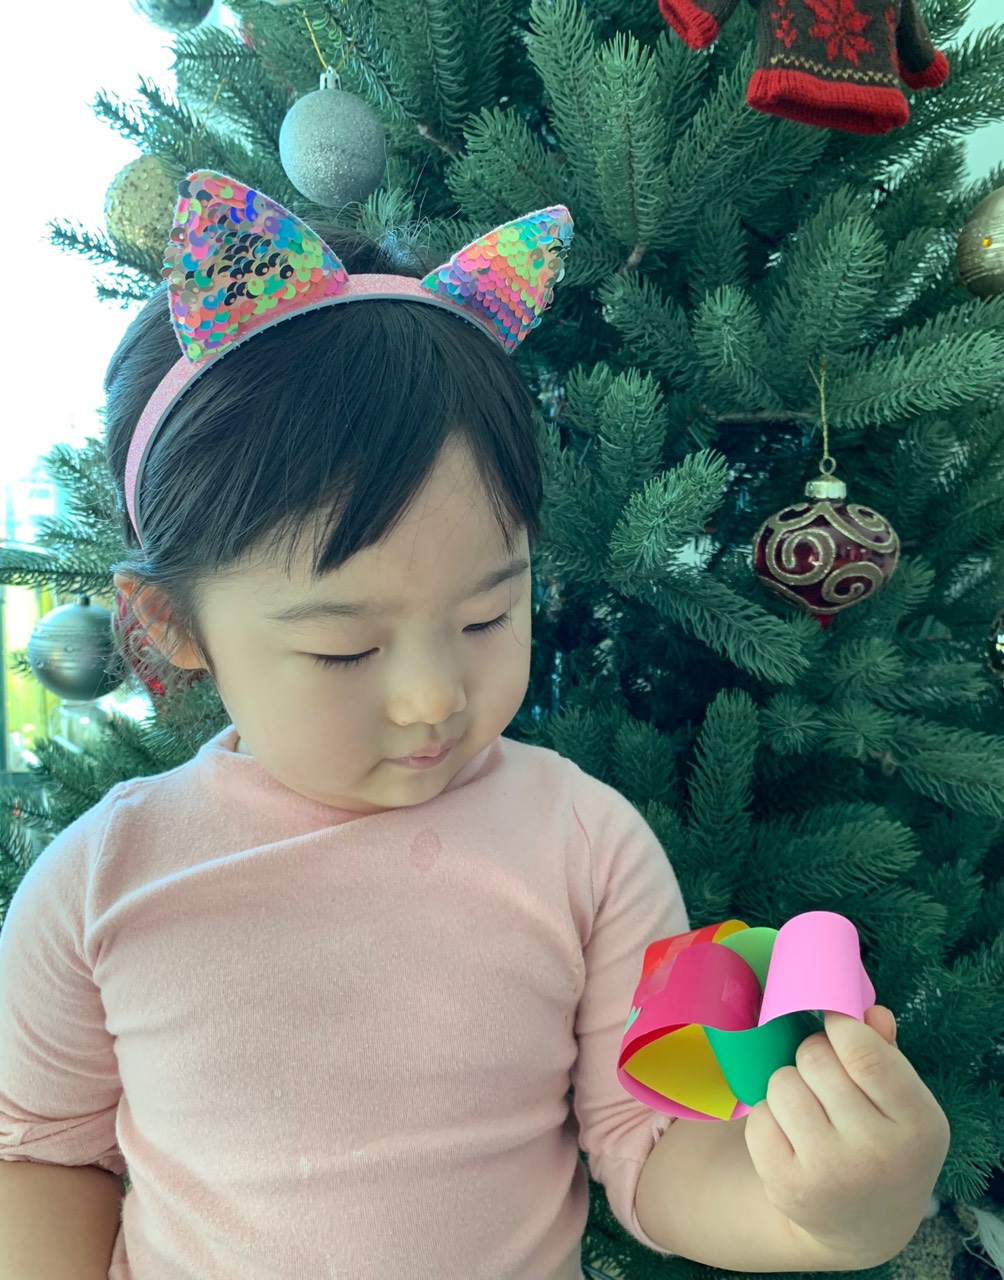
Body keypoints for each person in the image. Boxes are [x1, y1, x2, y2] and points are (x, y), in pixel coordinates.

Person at [0, 173, 948, 1280]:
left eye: (487, 615)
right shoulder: (103, 880)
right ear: (173, 623)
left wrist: (828, 1210)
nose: (432, 698)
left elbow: (651, 1147)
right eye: (344, 648)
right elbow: (38, 1151)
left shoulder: (581, 845)